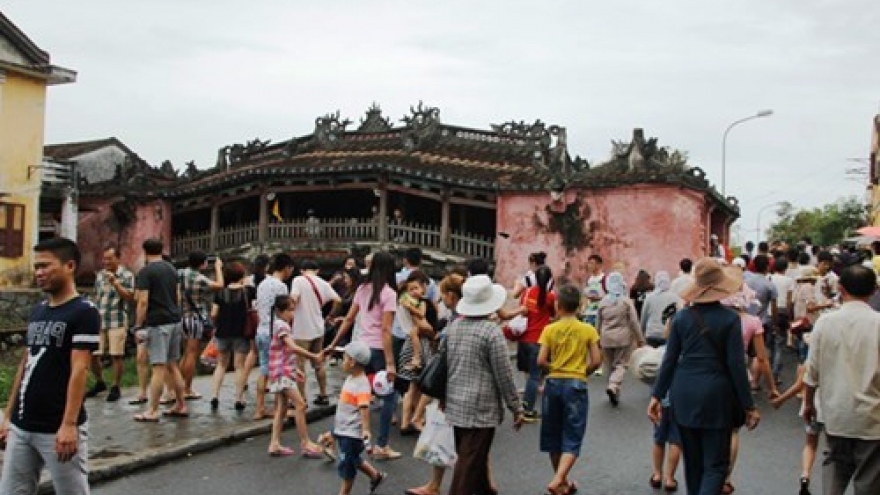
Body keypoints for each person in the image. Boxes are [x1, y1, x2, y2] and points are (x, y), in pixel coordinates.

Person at [649, 258, 760, 495]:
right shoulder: (730, 319)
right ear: (720, 287)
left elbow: (669, 360)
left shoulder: (680, 318)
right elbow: (736, 366)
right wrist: (748, 405)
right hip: (717, 394)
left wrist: (657, 395)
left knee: (693, 464)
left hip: (684, 392)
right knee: (716, 466)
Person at [0, 238, 100, 495]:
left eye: (45, 266)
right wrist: (8, 416)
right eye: (36, 267)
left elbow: (80, 369)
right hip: (23, 426)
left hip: (56, 427)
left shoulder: (83, 312)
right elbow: (26, 363)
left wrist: (68, 425)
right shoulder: (38, 311)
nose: (39, 273)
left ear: (69, 266)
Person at [803, 264, 880, 495]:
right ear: (874, 290)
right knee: (868, 483)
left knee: (834, 475)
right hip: (872, 419)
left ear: (840, 288)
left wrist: (808, 404)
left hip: (836, 414)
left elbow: (812, 372)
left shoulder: (825, 323)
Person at [445, 275, 525, 495]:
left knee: (471, 458)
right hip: (481, 408)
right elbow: (504, 375)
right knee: (469, 464)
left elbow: (446, 364)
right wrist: (516, 407)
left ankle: (485, 490)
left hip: (455, 402)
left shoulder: (454, 327)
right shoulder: (491, 332)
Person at [325, 251, 403, 460]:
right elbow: (386, 330)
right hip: (378, 350)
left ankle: (331, 437)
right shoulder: (389, 294)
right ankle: (382, 445)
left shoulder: (362, 288)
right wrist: (390, 363)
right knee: (388, 397)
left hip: (360, 347)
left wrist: (333, 344)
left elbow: (349, 319)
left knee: (355, 394)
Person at [536, 284, 602, 495]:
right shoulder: (588, 330)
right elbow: (597, 361)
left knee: (554, 434)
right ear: (579, 305)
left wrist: (554, 368)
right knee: (573, 434)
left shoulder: (549, 329)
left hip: (554, 383)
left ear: (558, 305)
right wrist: (582, 372)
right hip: (576, 383)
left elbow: (541, 360)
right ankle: (559, 480)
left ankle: (561, 481)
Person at [133, 238, 189, 422]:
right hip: (174, 319)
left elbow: (142, 301)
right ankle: (181, 404)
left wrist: (139, 324)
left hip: (157, 322)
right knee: (173, 364)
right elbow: (178, 296)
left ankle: (153, 410)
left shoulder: (145, 272)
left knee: (158, 367)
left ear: (145, 252)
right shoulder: (172, 269)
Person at [323, 341, 387, 495]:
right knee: (352, 458)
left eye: (344, 358)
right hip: (344, 428)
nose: (342, 361)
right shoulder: (351, 378)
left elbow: (364, 408)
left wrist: (365, 429)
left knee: (347, 469)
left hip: (351, 434)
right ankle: (375, 476)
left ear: (352, 362)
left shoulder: (361, 384)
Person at [265, 295, 324, 458]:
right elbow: (291, 347)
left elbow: (282, 351)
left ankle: (274, 443)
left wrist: (294, 370)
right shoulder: (282, 326)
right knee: (300, 405)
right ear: (280, 311)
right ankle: (305, 442)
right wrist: (313, 355)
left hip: (280, 372)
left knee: (282, 409)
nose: (293, 314)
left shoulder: (278, 325)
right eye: (290, 310)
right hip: (282, 373)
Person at [502, 265, 556, 421]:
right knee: (534, 376)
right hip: (539, 340)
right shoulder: (551, 297)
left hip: (524, 338)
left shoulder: (527, 292)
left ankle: (523, 403)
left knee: (528, 373)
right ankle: (527, 409)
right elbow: (553, 314)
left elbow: (522, 310)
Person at [290, 259, 340, 406]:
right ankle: (323, 394)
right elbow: (338, 300)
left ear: (302, 270)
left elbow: (294, 298)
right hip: (318, 328)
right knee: (319, 363)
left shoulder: (298, 280)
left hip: (301, 329)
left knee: (299, 366)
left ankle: (301, 398)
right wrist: (330, 315)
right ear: (317, 270)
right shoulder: (323, 283)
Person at [87, 245, 135, 402]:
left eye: (109, 258)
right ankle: (100, 382)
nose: (106, 261)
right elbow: (96, 295)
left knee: (116, 355)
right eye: (104, 258)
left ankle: (115, 386)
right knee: (94, 354)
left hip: (118, 319)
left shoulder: (127, 275)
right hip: (99, 319)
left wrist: (116, 283)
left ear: (118, 258)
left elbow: (129, 297)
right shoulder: (100, 275)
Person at [253, 253, 296, 420]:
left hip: (261, 330)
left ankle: (259, 408)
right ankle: (278, 409)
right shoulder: (281, 287)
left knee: (263, 370)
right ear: (287, 268)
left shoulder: (262, 284)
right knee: (278, 372)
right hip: (274, 333)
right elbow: (283, 312)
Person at [178, 251, 224, 400]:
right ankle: (187, 388)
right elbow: (219, 285)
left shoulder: (181, 273)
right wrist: (218, 268)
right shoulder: (199, 278)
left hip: (182, 316)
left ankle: (177, 387)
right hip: (194, 318)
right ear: (203, 263)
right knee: (192, 354)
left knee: (185, 353)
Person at [208, 262, 254, 411]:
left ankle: (214, 396)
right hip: (241, 332)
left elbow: (214, 313)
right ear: (242, 276)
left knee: (221, 365)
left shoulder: (220, 293)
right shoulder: (248, 292)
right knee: (239, 366)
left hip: (223, 331)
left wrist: (217, 323)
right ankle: (239, 399)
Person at [597, 272, 645, 406]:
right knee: (622, 364)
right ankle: (613, 386)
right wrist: (640, 338)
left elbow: (598, 322)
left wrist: (597, 338)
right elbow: (634, 322)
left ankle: (613, 390)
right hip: (623, 338)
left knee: (610, 365)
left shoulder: (603, 302)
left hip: (606, 338)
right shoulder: (626, 301)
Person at [640, 271, 681, 348]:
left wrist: (641, 332)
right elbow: (679, 316)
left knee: (651, 358)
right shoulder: (675, 297)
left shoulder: (649, 297)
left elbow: (644, 317)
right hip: (668, 334)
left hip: (651, 334)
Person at [581, 255, 606, 328]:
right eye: (588, 263)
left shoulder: (604, 279)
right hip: (588, 314)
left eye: (591, 263)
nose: (589, 265)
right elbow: (585, 296)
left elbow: (609, 297)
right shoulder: (589, 280)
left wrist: (598, 298)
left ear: (598, 265)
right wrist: (583, 309)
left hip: (600, 314)